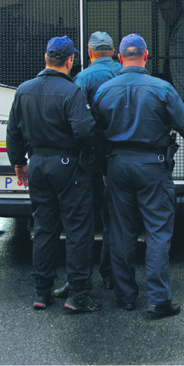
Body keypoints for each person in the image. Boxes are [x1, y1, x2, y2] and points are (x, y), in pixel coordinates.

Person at [93, 34, 184, 318]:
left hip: (117, 165)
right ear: (146, 56)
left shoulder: (104, 90)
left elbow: (95, 133)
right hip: (153, 165)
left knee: (121, 232)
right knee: (157, 233)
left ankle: (125, 297)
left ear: (120, 58)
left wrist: (102, 169)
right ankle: (159, 300)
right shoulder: (162, 88)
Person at [6, 36, 101, 313]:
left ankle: (42, 292)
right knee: (78, 230)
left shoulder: (24, 90)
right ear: (70, 60)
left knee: (44, 229)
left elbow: (13, 131)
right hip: (68, 166)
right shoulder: (72, 92)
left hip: (37, 165)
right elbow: (84, 131)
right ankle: (77, 294)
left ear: (46, 57)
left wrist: (19, 163)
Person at [52, 31, 122, 299]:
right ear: (114, 51)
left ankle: (79, 280)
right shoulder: (125, 72)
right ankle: (111, 275)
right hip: (119, 158)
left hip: (90, 161)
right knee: (115, 220)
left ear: (90, 53)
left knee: (81, 223)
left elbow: (77, 124)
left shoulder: (82, 78)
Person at [157, 0, 184, 107]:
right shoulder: (170, 25)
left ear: (179, 7)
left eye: (170, 9)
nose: (166, 14)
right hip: (175, 86)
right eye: (162, 10)